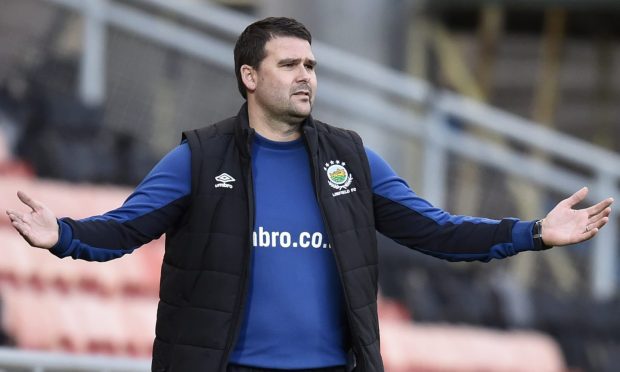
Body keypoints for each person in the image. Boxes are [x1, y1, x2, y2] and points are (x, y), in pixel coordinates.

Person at [5, 17, 614, 372]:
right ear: (249, 76)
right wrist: (64, 236)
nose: (305, 76)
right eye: (290, 64)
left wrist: (533, 232)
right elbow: (128, 225)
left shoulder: (350, 158)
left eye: (312, 66)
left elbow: (438, 230)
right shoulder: (199, 156)